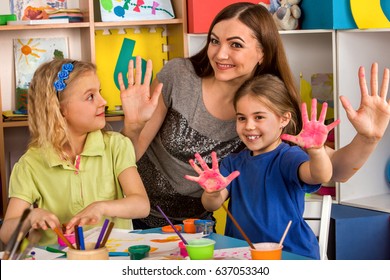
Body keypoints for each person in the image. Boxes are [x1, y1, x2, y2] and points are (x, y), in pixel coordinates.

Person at [118, 2, 390, 229]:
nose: (220, 53)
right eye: (214, 41)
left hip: (195, 227)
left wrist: (368, 137)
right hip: (133, 214)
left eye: (235, 45)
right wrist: (132, 126)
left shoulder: (267, 105)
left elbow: (333, 172)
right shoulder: (179, 75)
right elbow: (128, 156)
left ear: (262, 52)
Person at [185, 74, 340, 259]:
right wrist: (211, 192)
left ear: (284, 119)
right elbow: (212, 204)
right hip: (242, 254)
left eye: (259, 117)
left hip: (290, 255)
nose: (249, 126)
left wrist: (316, 150)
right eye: (241, 118)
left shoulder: (288, 157)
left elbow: (319, 175)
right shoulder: (233, 162)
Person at [0, 59, 150, 246]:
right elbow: (6, 233)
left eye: (100, 93)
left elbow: (142, 205)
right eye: (90, 96)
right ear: (59, 109)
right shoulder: (30, 164)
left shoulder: (116, 146)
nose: (104, 102)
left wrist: (101, 207)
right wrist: (31, 217)